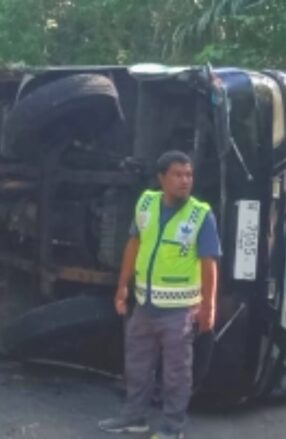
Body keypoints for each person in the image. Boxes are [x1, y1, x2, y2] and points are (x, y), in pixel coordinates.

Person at [98, 150, 221, 439]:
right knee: (137, 367)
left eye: (189, 175)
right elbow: (134, 245)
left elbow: (209, 263)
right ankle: (134, 418)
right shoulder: (147, 203)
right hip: (145, 306)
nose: (184, 181)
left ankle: (171, 429)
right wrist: (122, 287)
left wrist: (209, 307)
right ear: (161, 178)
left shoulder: (200, 214)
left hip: (179, 312)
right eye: (177, 175)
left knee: (176, 375)